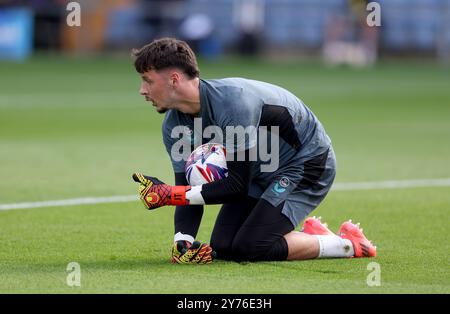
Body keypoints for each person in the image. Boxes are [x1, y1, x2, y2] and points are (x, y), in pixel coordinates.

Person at [131, 38, 377, 264]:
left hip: (306, 164)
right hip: (259, 173)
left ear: (174, 79)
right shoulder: (174, 126)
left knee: (250, 246)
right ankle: (312, 234)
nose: (142, 90)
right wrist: (182, 242)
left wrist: (169, 194)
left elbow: (235, 185)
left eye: (148, 80)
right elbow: (186, 189)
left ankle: (347, 244)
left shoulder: (233, 103)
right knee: (223, 247)